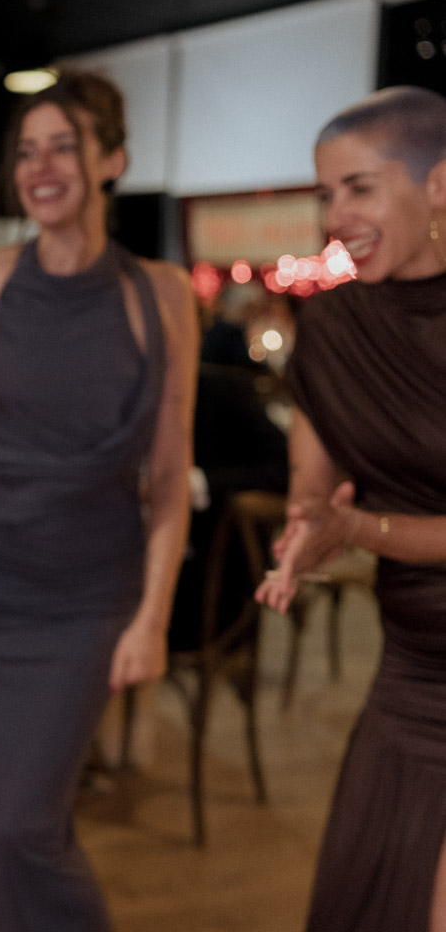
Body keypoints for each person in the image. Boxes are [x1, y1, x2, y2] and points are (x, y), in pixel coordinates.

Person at [0, 70, 197, 932]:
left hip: (88, 598)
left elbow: (170, 478)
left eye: (63, 147)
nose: (40, 168)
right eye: (27, 151)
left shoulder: (163, 296)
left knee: (20, 825)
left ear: (112, 161)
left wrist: (153, 619)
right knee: (1, 826)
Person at [256, 85, 446, 932]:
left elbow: (356, 519)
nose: (336, 217)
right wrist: (308, 534)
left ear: (439, 183)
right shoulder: (332, 332)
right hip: (413, 673)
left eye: (359, 188)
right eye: (326, 194)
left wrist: (363, 530)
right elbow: (314, 489)